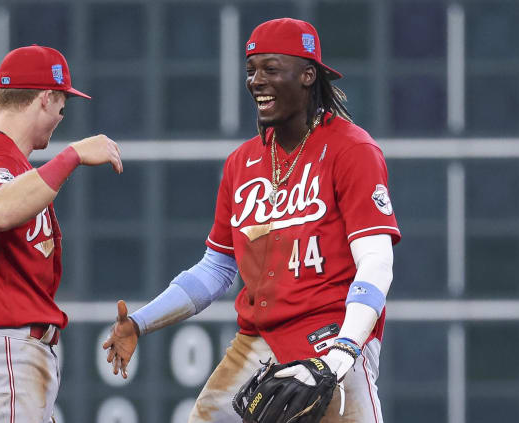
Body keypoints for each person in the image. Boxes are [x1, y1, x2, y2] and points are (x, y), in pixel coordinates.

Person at [103, 18, 400, 423]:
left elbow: (377, 260)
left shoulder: (351, 149)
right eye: (251, 70)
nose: (256, 81)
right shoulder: (243, 162)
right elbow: (217, 268)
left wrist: (345, 349)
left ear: (307, 75)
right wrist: (140, 323)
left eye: (271, 69)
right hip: (256, 340)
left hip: (329, 337)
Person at [0, 45, 122, 422]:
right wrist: (72, 156)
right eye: (62, 104)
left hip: (5, 355)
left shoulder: (11, 163)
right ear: (46, 97)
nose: (61, 114)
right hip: (1, 351)